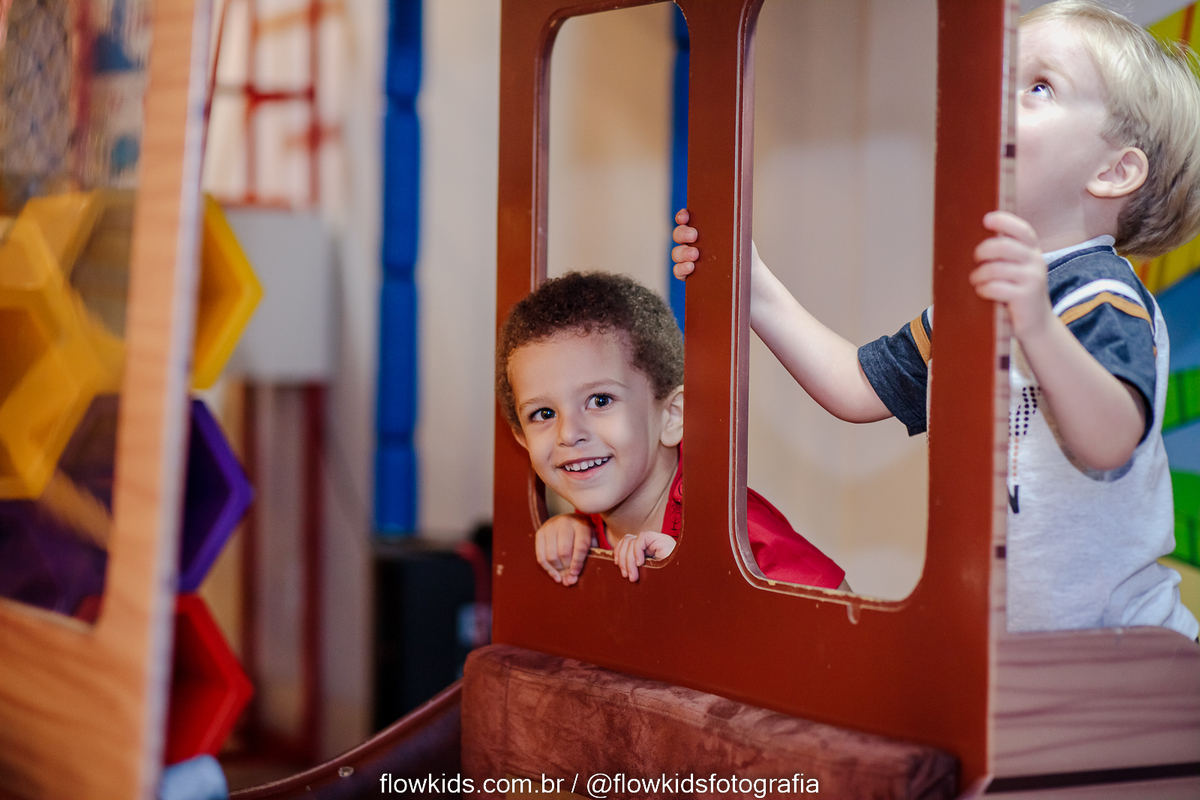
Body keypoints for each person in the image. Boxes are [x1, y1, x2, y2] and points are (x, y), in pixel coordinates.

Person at [671, 0, 1200, 638]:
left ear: (1114, 171)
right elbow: (857, 386)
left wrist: (1037, 324)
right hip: (1007, 644)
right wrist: (750, 284)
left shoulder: (1099, 290)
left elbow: (1112, 438)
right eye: (1000, 74)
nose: (997, 93)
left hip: (1124, 651)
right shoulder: (976, 300)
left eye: (1040, 85)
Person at [496, 271, 847, 589]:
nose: (568, 433)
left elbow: (840, 608)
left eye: (600, 400)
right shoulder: (590, 522)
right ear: (521, 438)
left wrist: (711, 589)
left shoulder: (730, 532)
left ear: (673, 416)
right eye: (543, 413)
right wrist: (574, 530)